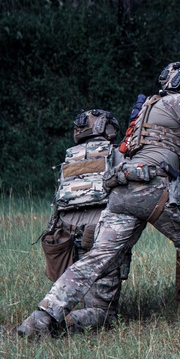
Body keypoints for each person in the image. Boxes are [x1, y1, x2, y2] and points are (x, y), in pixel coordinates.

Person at [17, 61, 180, 338]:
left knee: (97, 259)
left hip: (125, 189)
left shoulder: (154, 106)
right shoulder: (179, 102)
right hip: (155, 188)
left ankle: (40, 318)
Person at [37, 108, 131, 334]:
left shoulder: (70, 157)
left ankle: (53, 313)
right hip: (98, 235)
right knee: (104, 315)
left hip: (65, 236)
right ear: (106, 128)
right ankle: (52, 324)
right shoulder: (116, 154)